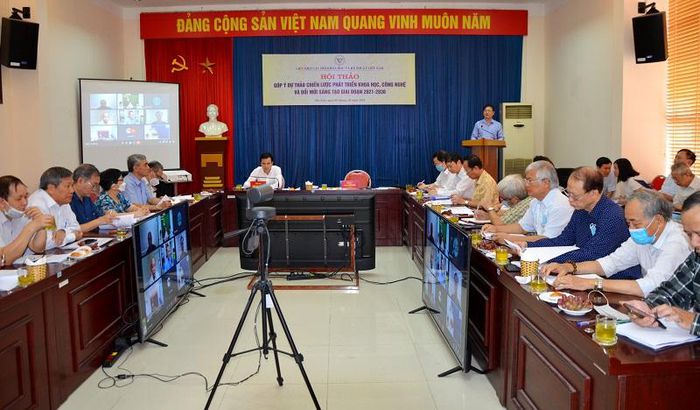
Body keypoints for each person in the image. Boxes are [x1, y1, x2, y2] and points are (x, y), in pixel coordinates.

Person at [544, 190, 691, 296]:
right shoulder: (644, 234)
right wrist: (569, 267)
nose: (631, 229)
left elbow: (651, 285)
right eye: (628, 223)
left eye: (635, 223)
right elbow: (611, 263)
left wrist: (589, 283)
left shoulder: (678, 242)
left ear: (658, 220)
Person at [519, 167, 638, 278]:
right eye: (568, 193)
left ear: (594, 193)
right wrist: (528, 246)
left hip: (615, 277)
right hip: (584, 271)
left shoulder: (612, 215)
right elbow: (563, 240)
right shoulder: (581, 210)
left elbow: (591, 253)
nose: (570, 200)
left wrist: (549, 258)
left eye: (575, 196)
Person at [623, 191, 700, 336]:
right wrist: (647, 307)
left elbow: (691, 320)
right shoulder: (696, 257)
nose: (694, 242)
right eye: (689, 234)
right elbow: (671, 291)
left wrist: (693, 321)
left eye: (699, 234)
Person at [483, 160, 573, 243]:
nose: (526, 185)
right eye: (525, 180)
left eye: (530, 180)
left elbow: (547, 239)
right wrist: (495, 229)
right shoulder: (535, 201)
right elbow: (522, 227)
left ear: (546, 183)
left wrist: (509, 238)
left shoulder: (559, 204)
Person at [0, 175, 53, 265]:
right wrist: (30, 228)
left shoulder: (23, 214)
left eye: (26, 197)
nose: (25, 202)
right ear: (2, 203)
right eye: (19, 199)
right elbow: (4, 260)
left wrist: (41, 226)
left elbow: (38, 248)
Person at [27, 167, 83, 249]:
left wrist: (64, 231)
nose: (72, 190)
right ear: (51, 189)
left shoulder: (64, 201)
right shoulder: (37, 205)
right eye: (68, 186)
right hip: (36, 256)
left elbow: (77, 228)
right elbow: (46, 244)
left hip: (56, 252)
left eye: (72, 185)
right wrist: (73, 236)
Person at [70, 164, 116, 232]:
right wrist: (100, 220)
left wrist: (108, 215)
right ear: (80, 181)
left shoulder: (87, 198)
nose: (95, 189)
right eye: (93, 185)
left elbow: (98, 216)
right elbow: (73, 229)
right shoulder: (68, 199)